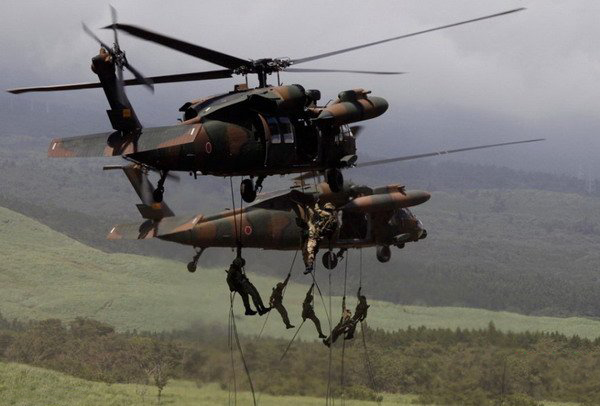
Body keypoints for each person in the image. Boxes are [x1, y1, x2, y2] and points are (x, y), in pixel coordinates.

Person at [303, 201, 338, 274]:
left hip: (316, 235)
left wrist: (316, 203)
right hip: (321, 237)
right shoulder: (333, 218)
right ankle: (309, 265)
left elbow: (317, 210)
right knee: (314, 250)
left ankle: (309, 266)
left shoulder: (326, 214)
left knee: (310, 249)